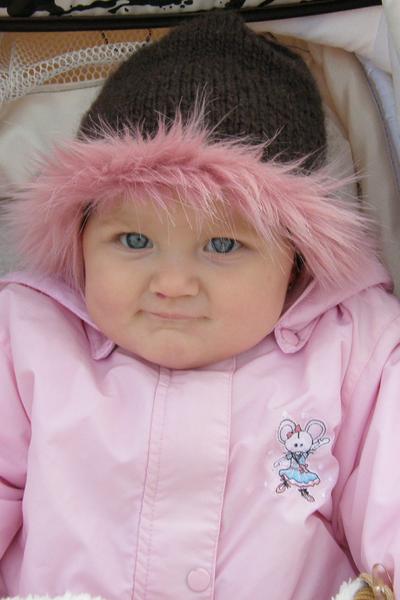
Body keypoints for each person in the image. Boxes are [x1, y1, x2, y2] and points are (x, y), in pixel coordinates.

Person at [0, 11, 399, 600]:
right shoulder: (28, 339)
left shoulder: (352, 352)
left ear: (295, 258)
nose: (172, 283)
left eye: (222, 246)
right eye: (133, 240)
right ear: (79, 239)